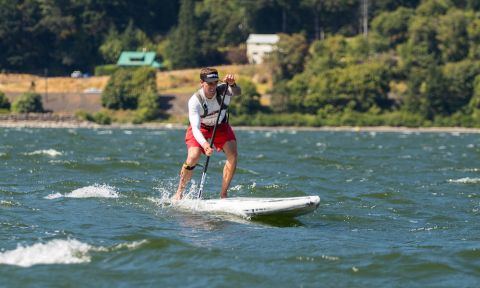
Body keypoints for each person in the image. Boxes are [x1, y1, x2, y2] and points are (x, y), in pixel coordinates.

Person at [174, 67, 241, 200]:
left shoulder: (224, 90)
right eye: (209, 83)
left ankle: (223, 194)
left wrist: (233, 84)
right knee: (193, 156)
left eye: (215, 82)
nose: (213, 86)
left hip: (220, 126)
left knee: (233, 155)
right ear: (202, 82)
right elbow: (195, 128)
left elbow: (237, 92)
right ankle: (179, 193)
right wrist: (205, 145)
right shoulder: (195, 101)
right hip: (201, 128)